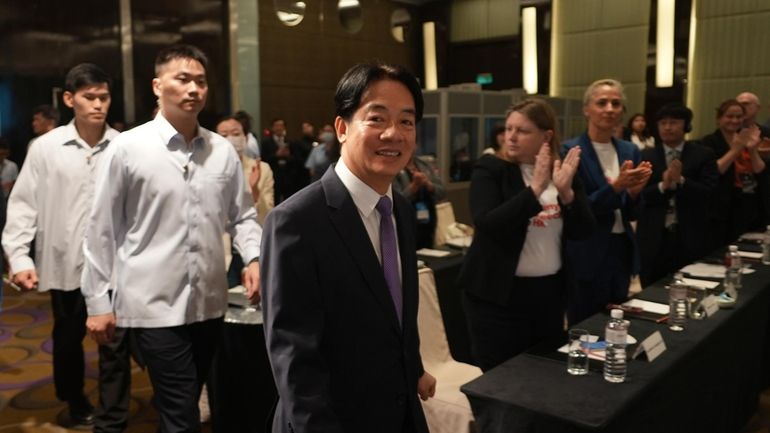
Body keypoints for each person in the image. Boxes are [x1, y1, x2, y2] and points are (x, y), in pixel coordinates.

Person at [80, 44, 262, 433]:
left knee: (181, 406)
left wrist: (254, 258)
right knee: (182, 412)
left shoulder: (222, 152)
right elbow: (101, 230)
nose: (194, 88)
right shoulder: (128, 148)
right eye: (183, 79)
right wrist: (98, 301)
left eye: (200, 81)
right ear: (157, 86)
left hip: (209, 303)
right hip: (152, 306)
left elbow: (243, 216)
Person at [262, 62, 435, 433]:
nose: (394, 134)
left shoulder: (399, 209)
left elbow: (394, 311)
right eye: (377, 119)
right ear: (341, 128)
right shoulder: (296, 221)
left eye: (407, 122)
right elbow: (295, 358)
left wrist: (414, 367)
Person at [2, 63, 127, 430]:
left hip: (114, 266)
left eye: (104, 97)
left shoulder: (124, 146)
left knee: (115, 342)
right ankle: (73, 398)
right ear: (70, 99)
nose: (98, 105)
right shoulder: (45, 148)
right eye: (89, 97)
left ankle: (113, 410)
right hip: (65, 262)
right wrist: (20, 256)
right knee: (69, 338)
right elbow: (24, 204)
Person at [458, 99, 595, 371]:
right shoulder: (490, 169)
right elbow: (488, 224)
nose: (511, 136)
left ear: (546, 136)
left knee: (542, 371)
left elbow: (584, 231)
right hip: (497, 296)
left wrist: (567, 194)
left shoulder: (562, 171)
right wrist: (534, 190)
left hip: (548, 294)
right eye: (509, 128)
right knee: (501, 376)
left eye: (522, 130)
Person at [562, 79, 652, 325]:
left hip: (621, 248)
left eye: (616, 103)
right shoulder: (570, 151)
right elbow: (576, 209)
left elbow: (632, 211)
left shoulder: (629, 150)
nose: (610, 109)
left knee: (617, 322)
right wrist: (616, 187)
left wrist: (634, 193)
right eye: (602, 103)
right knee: (585, 326)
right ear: (586, 109)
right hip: (587, 250)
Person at [637, 104, 718, 286]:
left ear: (686, 126)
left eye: (673, 122)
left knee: (691, 289)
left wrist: (681, 180)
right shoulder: (646, 155)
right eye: (663, 123)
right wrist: (662, 185)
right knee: (651, 289)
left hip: (690, 234)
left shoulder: (703, 154)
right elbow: (639, 195)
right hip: (653, 237)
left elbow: (709, 192)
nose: (667, 127)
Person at [216, 115, 274, 283]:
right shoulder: (209, 169)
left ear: (245, 137)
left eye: (235, 133)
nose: (230, 139)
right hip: (222, 249)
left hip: (254, 246)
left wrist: (253, 188)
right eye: (223, 135)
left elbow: (267, 214)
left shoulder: (261, 168)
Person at [701, 99, 766, 248]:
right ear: (719, 119)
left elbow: (759, 170)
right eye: (729, 116)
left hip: (749, 200)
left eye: (739, 117)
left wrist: (752, 149)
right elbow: (715, 170)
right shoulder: (708, 142)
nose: (735, 120)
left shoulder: (748, 138)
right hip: (722, 204)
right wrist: (736, 149)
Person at [393, 155, 447, 249]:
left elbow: (442, 192)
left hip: (428, 220)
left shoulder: (425, 165)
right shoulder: (393, 166)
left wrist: (428, 184)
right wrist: (414, 186)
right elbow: (395, 201)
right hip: (404, 221)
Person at [261, 118, 310, 203]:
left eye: (281, 125)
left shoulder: (291, 142)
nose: (279, 128)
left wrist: (288, 156)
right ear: (272, 128)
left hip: (288, 178)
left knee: (288, 202)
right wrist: (276, 155)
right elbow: (263, 160)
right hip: (273, 176)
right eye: (277, 126)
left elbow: (298, 160)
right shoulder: (266, 143)